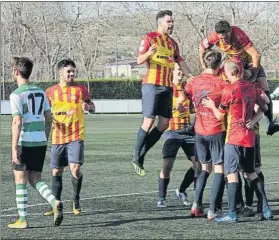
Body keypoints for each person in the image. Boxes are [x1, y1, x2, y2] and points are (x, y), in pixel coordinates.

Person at [202, 60, 273, 223]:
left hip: (233, 137)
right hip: (249, 137)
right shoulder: (252, 87)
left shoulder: (229, 90)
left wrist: (212, 105)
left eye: (225, 72)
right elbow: (265, 107)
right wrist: (254, 120)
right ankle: (266, 209)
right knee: (251, 173)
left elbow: (220, 115)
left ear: (231, 72)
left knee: (232, 174)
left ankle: (232, 213)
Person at [132, 10, 193, 177]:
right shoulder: (150, 37)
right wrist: (148, 54)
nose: (171, 24)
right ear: (160, 23)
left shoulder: (173, 44)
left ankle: (142, 152)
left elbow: (180, 61)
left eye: (172, 21)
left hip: (167, 86)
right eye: (168, 21)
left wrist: (190, 76)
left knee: (164, 124)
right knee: (149, 120)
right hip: (151, 83)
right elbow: (138, 60)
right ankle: (136, 156)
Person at [8, 57, 63, 229]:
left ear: (16, 72)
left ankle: (22, 219)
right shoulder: (40, 91)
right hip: (39, 141)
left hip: (25, 141)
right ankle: (54, 201)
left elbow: (17, 121)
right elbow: (49, 117)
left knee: (20, 178)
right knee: (35, 178)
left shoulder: (16, 95)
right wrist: (45, 136)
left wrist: (14, 147)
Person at [199, 20, 279, 136]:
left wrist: (253, 75)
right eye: (222, 39)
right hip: (234, 63)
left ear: (230, 31)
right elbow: (201, 47)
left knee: (263, 85)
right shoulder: (213, 37)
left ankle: (269, 123)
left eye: (226, 37)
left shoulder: (238, 34)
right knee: (221, 82)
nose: (225, 41)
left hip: (250, 62)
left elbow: (256, 55)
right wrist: (203, 65)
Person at [176, 49, 227, 220]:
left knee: (205, 168)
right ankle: (213, 210)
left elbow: (180, 102)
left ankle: (196, 204)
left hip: (199, 131)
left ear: (204, 63)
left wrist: (181, 107)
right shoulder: (222, 85)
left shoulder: (193, 82)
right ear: (219, 65)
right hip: (216, 131)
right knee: (219, 169)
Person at [44, 59, 95, 216]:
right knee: (56, 171)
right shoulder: (50, 92)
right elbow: (45, 113)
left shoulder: (81, 90)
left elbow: (92, 107)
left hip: (76, 134)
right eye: (69, 71)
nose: (72, 74)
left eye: (73, 71)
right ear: (60, 73)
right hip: (58, 136)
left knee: (75, 168)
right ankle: (56, 205)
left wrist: (89, 108)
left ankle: (76, 199)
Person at [157, 63, 200, 208]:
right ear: (172, 72)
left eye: (182, 70)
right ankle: (161, 198)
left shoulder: (189, 88)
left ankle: (181, 190)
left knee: (198, 164)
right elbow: (159, 108)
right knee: (167, 164)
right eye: (178, 70)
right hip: (172, 131)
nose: (181, 73)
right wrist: (175, 108)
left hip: (188, 131)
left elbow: (194, 107)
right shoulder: (166, 89)